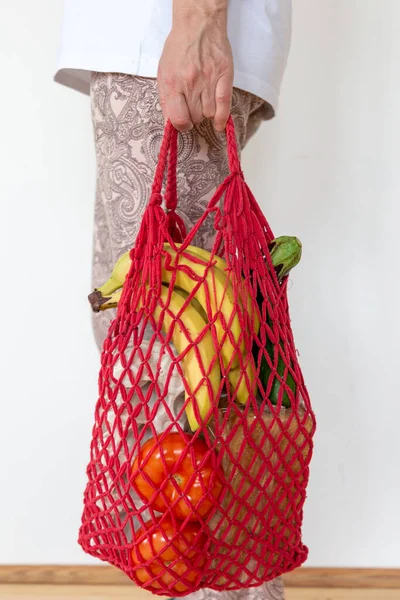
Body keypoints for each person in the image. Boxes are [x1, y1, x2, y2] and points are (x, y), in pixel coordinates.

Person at [55, 1, 292, 598]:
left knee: (175, 371)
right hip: (158, 45)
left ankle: (230, 591)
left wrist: (198, 22)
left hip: (164, 40)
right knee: (169, 348)